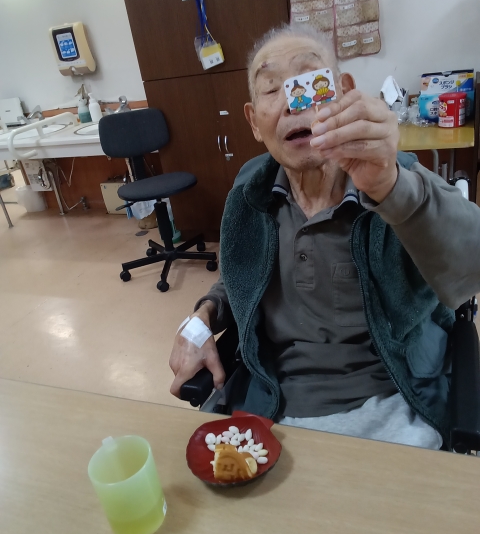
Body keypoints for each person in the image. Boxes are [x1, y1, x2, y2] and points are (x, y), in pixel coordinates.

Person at [169, 24, 480, 449]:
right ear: (254, 123)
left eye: (308, 79)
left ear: (343, 91)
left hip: (398, 402)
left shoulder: (394, 176)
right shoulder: (250, 192)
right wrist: (201, 319)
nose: (291, 102)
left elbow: (470, 270)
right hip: (271, 403)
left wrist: (391, 187)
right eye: (271, 88)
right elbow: (241, 278)